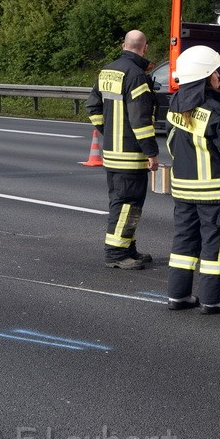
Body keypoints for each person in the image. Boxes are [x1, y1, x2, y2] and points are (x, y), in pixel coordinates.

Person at [165, 46, 220, 314]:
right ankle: (211, 300)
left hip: (183, 188)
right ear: (205, 76)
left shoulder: (175, 104)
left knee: (184, 242)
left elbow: (173, 142)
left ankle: (178, 296)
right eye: (216, 73)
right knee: (213, 246)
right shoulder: (214, 110)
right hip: (214, 191)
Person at [86, 30, 160, 270]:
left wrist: (107, 130)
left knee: (121, 202)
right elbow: (140, 119)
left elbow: (92, 105)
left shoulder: (108, 70)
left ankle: (128, 248)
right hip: (130, 154)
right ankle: (116, 253)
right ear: (144, 47)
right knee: (128, 203)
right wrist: (151, 152)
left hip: (112, 151)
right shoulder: (137, 75)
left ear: (123, 45)